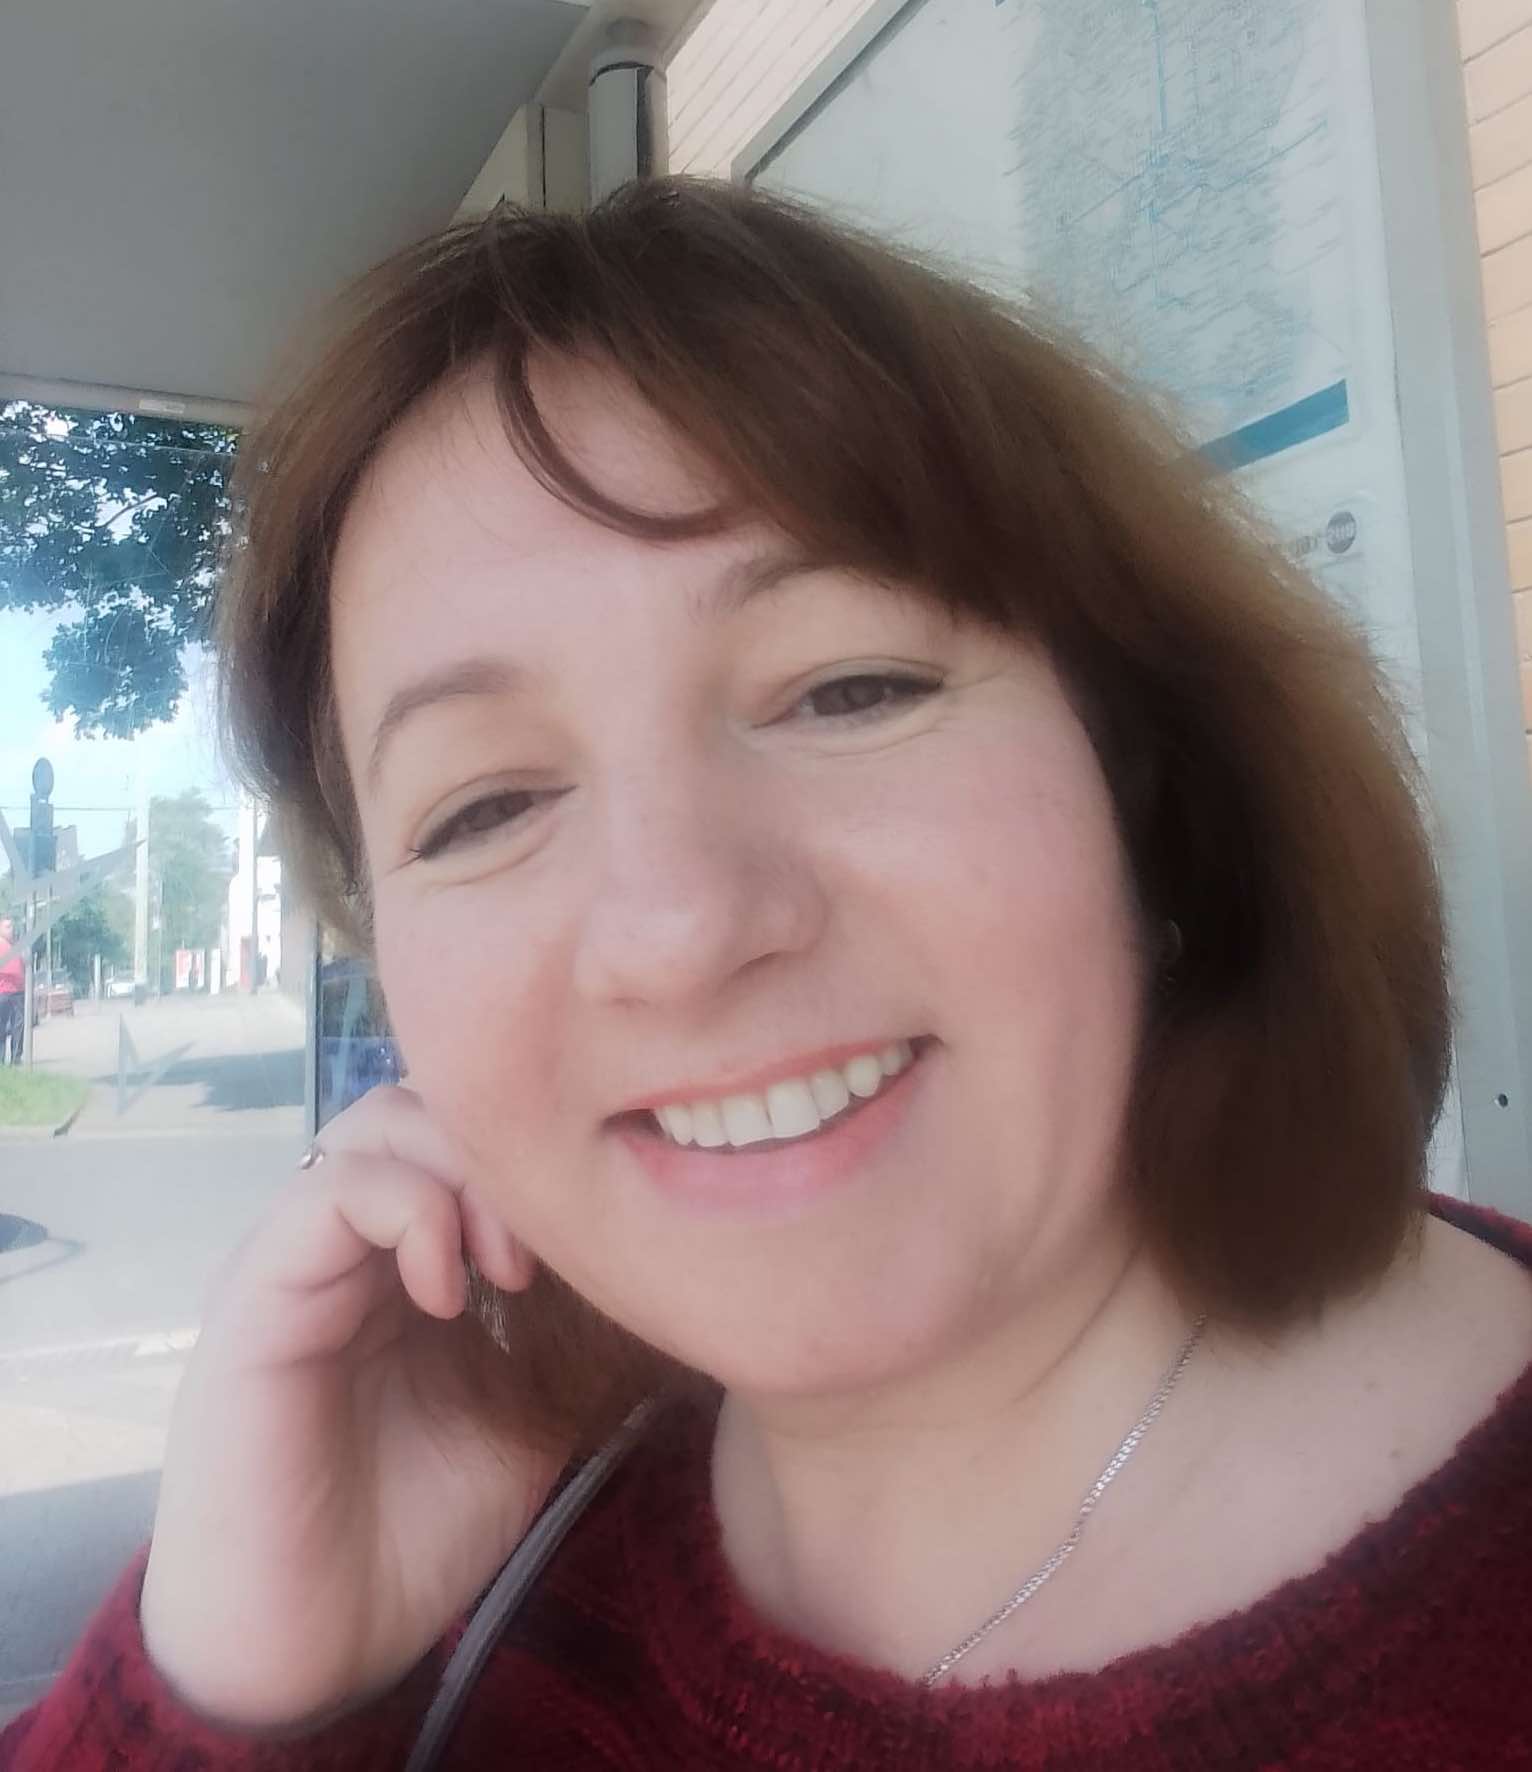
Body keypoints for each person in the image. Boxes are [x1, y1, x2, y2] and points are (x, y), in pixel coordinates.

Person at [5, 179, 1531, 1772]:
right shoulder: (442, 1552)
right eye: (488, 806)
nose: (679, 929)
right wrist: (230, 1695)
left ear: (1147, 778)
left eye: (848, 689)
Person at [0, 914, 25, 1065]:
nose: (11, 930)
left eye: (12, 927)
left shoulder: (16, 945)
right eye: (7, 927)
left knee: (18, 1026)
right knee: (1, 1027)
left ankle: (16, 1058)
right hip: (2, 991)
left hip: (18, 991)